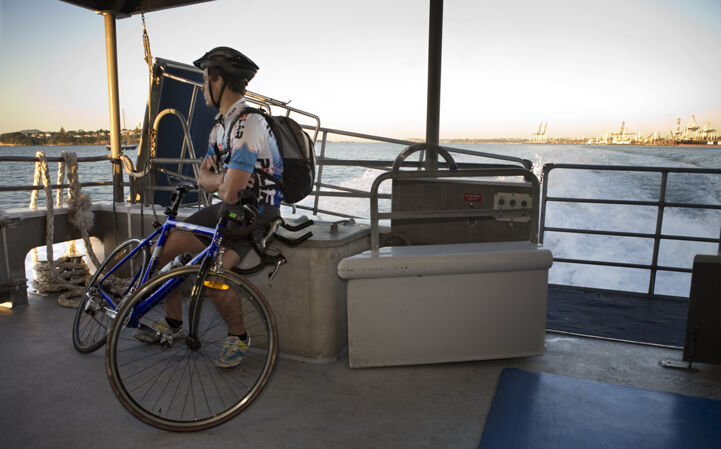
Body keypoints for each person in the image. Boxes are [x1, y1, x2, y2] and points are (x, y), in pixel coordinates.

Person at [135, 47, 283, 368]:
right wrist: (221, 181)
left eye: (205, 80)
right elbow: (205, 177)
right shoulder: (219, 128)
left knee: (211, 274)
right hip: (228, 208)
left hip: (256, 212)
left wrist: (220, 181)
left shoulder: (250, 125)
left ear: (219, 81)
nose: (203, 87)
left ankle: (239, 335)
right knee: (164, 248)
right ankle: (174, 324)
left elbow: (228, 190)